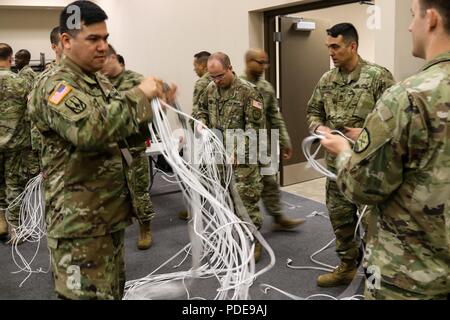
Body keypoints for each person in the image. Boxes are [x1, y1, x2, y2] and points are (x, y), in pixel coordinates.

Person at [28, 1, 174, 300]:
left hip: (106, 215)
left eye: (105, 39)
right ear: (66, 42)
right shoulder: (56, 84)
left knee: (111, 292)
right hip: (78, 227)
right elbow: (91, 131)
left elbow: (118, 126)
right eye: (93, 39)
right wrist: (139, 95)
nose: (103, 47)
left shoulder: (96, 80)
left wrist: (153, 104)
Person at [320, 0, 449, 300]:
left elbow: (363, 187)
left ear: (430, 19)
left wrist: (342, 150)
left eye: (412, 15)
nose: (408, 26)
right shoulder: (328, 80)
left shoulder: (406, 97)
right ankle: (347, 263)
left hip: (412, 277)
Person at [306, 23, 395, 287]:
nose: (331, 53)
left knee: (372, 228)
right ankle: (346, 266)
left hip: (367, 169)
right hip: (335, 170)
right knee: (341, 221)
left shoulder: (378, 77)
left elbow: (395, 122)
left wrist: (367, 132)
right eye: (328, 47)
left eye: (336, 46)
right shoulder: (327, 80)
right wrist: (319, 128)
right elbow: (313, 111)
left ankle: (374, 282)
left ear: (352, 46)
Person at [195, 52, 265, 262]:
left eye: (219, 76)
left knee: (245, 202)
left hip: (242, 159)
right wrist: (201, 122)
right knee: (225, 201)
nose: (216, 81)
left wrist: (239, 152)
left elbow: (256, 128)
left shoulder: (248, 92)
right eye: (212, 77)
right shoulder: (210, 89)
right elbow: (201, 110)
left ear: (230, 68)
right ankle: (236, 239)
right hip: (220, 155)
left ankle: (255, 241)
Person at [241, 48, 305, 231]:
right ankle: (248, 230)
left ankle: (278, 217)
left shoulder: (266, 88)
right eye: (259, 62)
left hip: (261, 144)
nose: (264, 66)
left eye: (265, 62)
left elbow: (275, 117)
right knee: (246, 188)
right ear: (248, 62)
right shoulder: (236, 86)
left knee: (270, 181)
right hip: (240, 146)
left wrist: (285, 141)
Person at [101, 44, 155, 250]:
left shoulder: (135, 80)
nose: (101, 66)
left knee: (138, 189)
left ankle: (145, 228)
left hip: (133, 146)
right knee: (113, 192)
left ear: (114, 58)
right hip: (108, 148)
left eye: (104, 61)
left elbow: (145, 115)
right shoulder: (99, 82)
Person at [0, 43, 31, 243]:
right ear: (11, 58)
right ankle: (16, 230)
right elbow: (31, 110)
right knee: (14, 184)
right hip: (16, 143)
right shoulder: (20, 82)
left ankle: (1, 223)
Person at [178, 50, 212, 221]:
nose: (194, 69)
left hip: (202, 135)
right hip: (219, 134)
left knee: (198, 173)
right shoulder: (219, 79)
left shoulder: (202, 83)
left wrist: (189, 133)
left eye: (195, 66)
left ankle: (194, 209)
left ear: (202, 65)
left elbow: (198, 112)